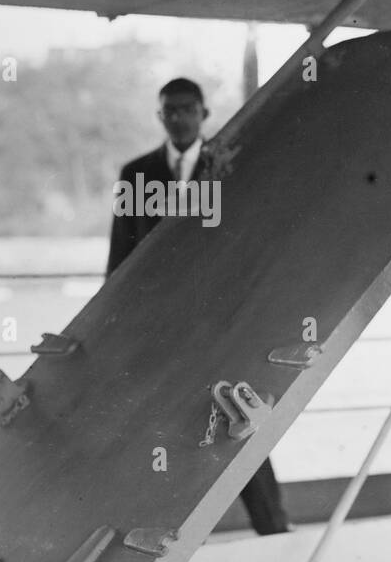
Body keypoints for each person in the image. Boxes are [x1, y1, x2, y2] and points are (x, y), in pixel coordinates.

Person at [109, 77, 291, 536]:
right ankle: (167, 540)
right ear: (160, 116)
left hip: (220, 326)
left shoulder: (234, 166)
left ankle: (273, 529)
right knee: (163, 430)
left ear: (204, 113)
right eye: (169, 110)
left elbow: (251, 247)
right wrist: (117, 329)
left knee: (241, 418)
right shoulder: (136, 174)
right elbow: (120, 260)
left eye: (187, 109)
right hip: (158, 332)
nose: (178, 118)